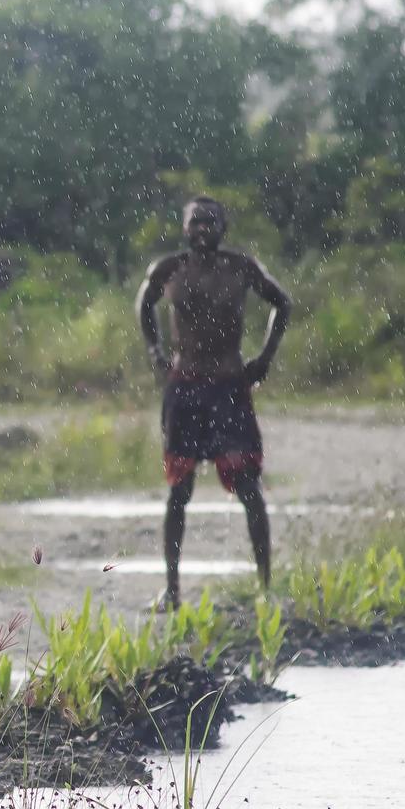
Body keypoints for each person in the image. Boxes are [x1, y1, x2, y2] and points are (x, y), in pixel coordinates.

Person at [136, 196, 293, 610]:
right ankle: (171, 591)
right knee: (179, 491)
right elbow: (144, 304)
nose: (202, 229)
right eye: (195, 223)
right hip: (185, 388)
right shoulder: (168, 270)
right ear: (184, 228)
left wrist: (264, 358)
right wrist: (155, 351)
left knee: (249, 489)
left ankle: (265, 588)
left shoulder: (240, 268)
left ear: (223, 228)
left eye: (210, 222)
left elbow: (283, 303)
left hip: (228, 388)